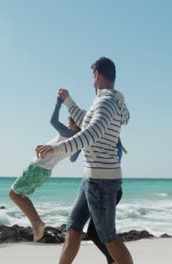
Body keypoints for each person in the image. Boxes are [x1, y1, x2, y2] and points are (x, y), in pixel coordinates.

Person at [36, 57, 133, 264]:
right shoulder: (107, 101)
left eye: (92, 75)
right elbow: (86, 121)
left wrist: (56, 148)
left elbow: (90, 134)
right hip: (91, 178)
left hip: (102, 181)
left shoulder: (106, 102)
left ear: (97, 74)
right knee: (73, 227)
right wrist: (68, 101)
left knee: (108, 236)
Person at [9, 96, 81, 242]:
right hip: (46, 171)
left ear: (74, 123)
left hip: (38, 166)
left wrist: (58, 103)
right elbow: (73, 159)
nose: (68, 121)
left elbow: (53, 121)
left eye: (70, 120)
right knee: (20, 195)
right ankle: (36, 223)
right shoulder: (79, 141)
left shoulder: (69, 133)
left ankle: (37, 223)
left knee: (14, 194)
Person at [87, 137, 127, 264]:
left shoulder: (109, 144)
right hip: (108, 189)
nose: (69, 125)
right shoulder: (111, 141)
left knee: (100, 234)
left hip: (106, 190)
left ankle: (115, 260)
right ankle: (113, 260)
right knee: (97, 233)